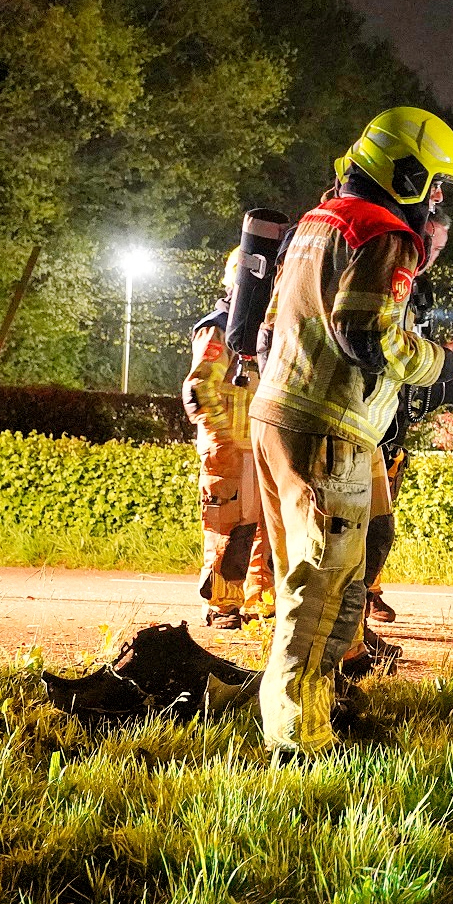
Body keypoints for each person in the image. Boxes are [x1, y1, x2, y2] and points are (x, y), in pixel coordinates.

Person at [249, 107, 453, 756]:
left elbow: (270, 328)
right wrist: (439, 364)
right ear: (407, 175)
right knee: (321, 597)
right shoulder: (384, 233)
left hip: (278, 417)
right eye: (436, 185)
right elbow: (366, 334)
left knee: (311, 581)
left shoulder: (316, 222)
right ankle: (299, 745)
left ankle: (306, 711)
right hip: (328, 431)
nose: (437, 202)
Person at [181, 249, 273, 627]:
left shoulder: (265, 331)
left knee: (266, 531)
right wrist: (220, 438)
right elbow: (199, 387)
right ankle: (222, 605)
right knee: (229, 529)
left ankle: (261, 601)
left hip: (262, 446)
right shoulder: (219, 327)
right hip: (229, 448)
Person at [364, 214, 448, 626]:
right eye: (431, 244)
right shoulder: (385, 271)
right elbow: (382, 344)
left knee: (378, 519)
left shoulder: (419, 289)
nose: (432, 255)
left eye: (440, 249)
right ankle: (357, 608)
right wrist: (442, 362)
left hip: (388, 415)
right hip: (364, 417)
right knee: (362, 523)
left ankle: (366, 596)